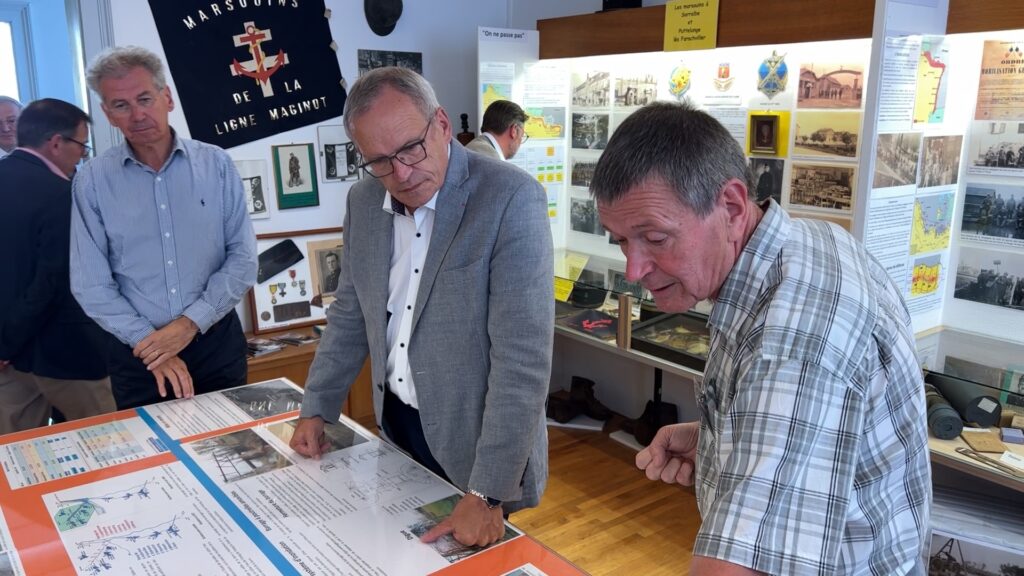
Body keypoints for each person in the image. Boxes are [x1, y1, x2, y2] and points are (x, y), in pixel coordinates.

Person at [591, 101, 930, 575]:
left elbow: (739, 569)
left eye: (655, 238)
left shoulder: (791, 340)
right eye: (622, 240)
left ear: (730, 206)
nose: (634, 269)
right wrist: (719, 438)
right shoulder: (803, 242)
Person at [289, 67, 553, 547]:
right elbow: (351, 312)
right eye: (380, 161)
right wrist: (318, 406)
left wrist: (488, 493)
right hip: (398, 429)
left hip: (476, 445)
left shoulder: (510, 198)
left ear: (443, 125)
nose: (402, 174)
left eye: (411, 148)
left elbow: (523, 362)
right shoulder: (365, 201)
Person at [70, 46, 257, 410]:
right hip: (137, 355)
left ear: (166, 97)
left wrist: (187, 325)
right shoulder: (92, 181)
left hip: (215, 344)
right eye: (121, 105)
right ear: (108, 114)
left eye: (144, 98)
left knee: (231, 456)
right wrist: (154, 346)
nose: (137, 114)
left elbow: (243, 259)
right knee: (154, 463)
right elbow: (90, 284)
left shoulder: (216, 164)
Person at [0, 99, 115, 434]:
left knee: (15, 462)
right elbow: (51, 282)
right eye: (82, 144)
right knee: (108, 450)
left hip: (8, 357)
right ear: (56, 143)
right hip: (68, 355)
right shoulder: (63, 195)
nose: (83, 154)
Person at [464, 99, 528, 161]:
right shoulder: (494, 163)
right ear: (514, 131)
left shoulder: (471, 148)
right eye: (521, 136)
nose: (520, 143)